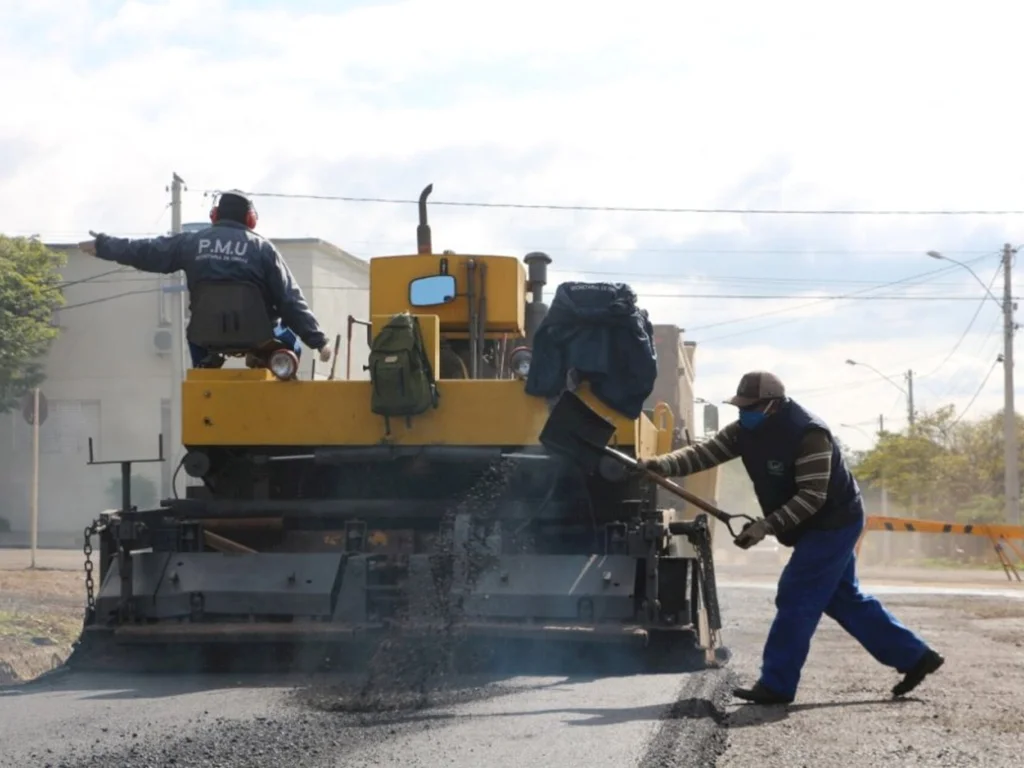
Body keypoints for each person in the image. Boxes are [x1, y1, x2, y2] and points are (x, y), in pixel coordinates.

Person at [642, 370, 944, 705]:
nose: (744, 413)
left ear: (773, 405)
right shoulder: (744, 431)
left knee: (796, 594)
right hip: (807, 523)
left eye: (751, 407)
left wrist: (764, 527)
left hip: (833, 521)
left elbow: (812, 498)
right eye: (741, 407)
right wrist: (659, 464)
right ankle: (916, 656)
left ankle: (777, 684)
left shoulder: (808, 434)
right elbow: (703, 454)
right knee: (842, 598)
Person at [78, 190, 332, 368]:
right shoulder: (262, 249)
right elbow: (289, 299)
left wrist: (103, 245)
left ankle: (203, 369)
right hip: (260, 334)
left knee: (194, 335)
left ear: (214, 215)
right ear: (250, 219)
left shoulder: (192, 242)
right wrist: (318, 341)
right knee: (291, 345)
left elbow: (145, 251)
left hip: (207, 334)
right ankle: (266, 366)